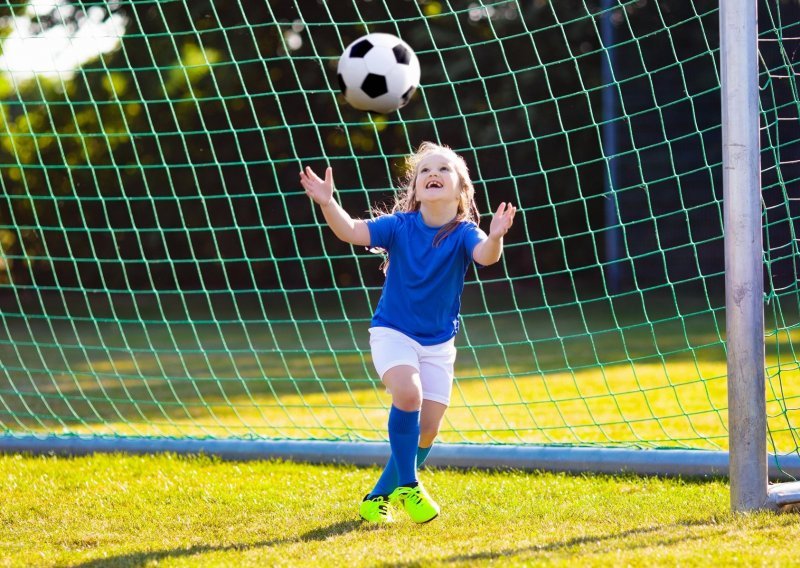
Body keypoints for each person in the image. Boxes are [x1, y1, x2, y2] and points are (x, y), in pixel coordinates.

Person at [301, 142, 516, 524]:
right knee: (408, 393)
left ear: (461, 192)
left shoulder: (465, 232)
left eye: (444, 170)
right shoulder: (399, 227)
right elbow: (351, 231)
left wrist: (496, 235)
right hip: (393, 333)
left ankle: (377, 497)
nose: (433, 174)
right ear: (415, 189)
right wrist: (327, 203)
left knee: (428, 430)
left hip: (439, 344)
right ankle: (410, 486)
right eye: (425, 171)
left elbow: (486, 256)